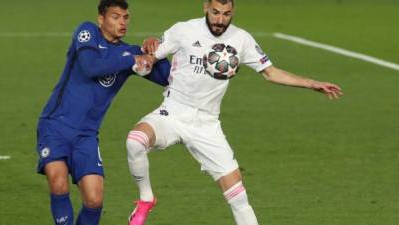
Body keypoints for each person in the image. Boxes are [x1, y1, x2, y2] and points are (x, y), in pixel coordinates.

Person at [126, 0, 343, 225]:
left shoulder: (241, 39)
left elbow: (270, 73)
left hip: (207, 124)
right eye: (216, 12)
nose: (220, 20)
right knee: (135, 141)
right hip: (172, 112)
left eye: (227, 14)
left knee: (239, 197)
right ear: (205, 8)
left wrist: (312, 84)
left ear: (233, 11)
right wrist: (147, 56)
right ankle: (146, 199)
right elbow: (152, 55)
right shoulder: (184, 29)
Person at [35, 0, 170, 225]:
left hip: (86, 135)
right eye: (115, 17)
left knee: (94, 200)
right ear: (101, 19)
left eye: (125, 17)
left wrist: (156, 52)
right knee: (58, 182)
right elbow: (91, 67)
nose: (122, 22)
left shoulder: (130, 52)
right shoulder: (87, 32)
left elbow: (166, 79)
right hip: (55, 125)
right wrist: (130, 60)